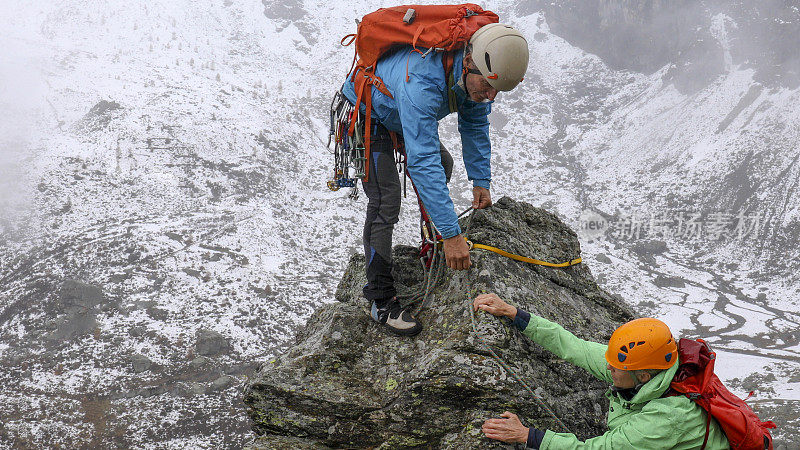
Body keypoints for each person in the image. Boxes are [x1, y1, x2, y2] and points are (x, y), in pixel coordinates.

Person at [340, 24, 529, 336]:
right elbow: (422, 161)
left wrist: (480, 180)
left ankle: (432, 242)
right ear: (468, 62)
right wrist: (454, 235)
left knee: (445, 162)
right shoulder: (423, 82)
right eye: (487, 85)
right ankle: (379, 299)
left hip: (398, 110)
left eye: (498, 89)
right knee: (386, 200)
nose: (491, 95)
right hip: (368, 112)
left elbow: (476, 123)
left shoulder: (476, 74)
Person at [472, 293, 729, 449]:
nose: (608, 368)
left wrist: (527, 435)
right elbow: (575, 347)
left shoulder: (667, 419)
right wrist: (514, 313)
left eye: (615, 368)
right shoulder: (644, 365)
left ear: (643, 377)